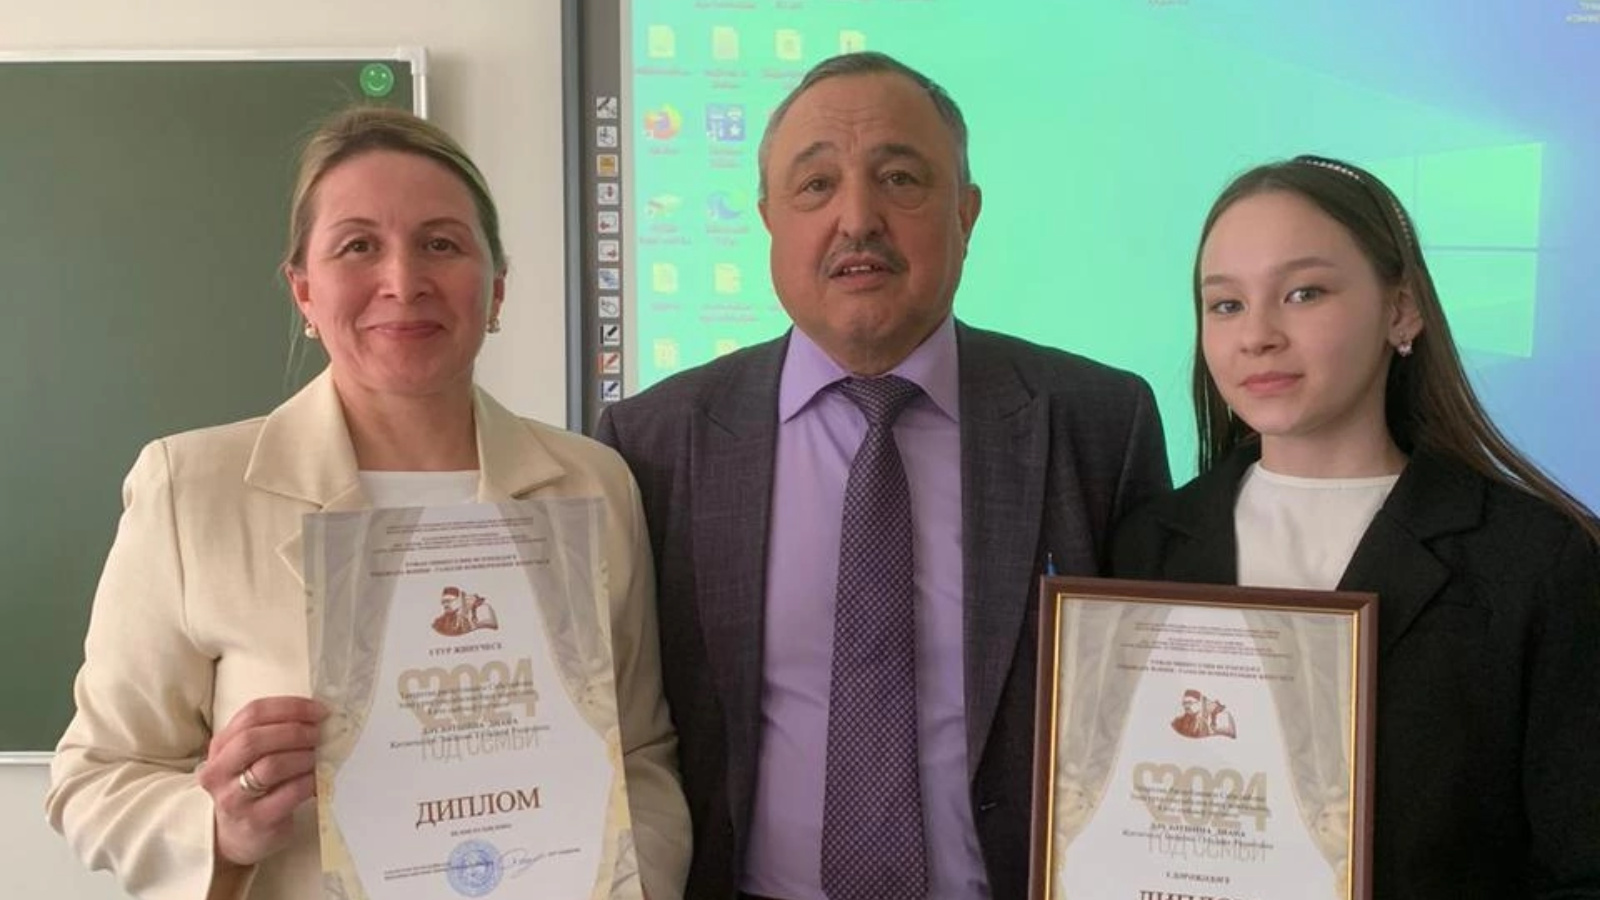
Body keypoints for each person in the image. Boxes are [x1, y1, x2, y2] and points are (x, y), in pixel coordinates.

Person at [46, 107, 690, 900]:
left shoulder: (594, 483)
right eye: (358, 246)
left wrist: (627, 882)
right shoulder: (191, 490)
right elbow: (97, 775)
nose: (403, 281)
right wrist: (218, 826)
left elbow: (642, 755)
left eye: (442, 244)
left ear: (496, 289)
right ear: (304, 291)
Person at [597, 52, 1170, 900]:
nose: (857, 219)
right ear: (768, 221)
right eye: (816, 186)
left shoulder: (1099, 423)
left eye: (900, 179)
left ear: (966, 213)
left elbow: (1157, 710)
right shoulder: (652, 444)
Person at [1112, 154, 1600, 898]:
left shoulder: (1537, 559)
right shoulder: (1145, 546)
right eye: (1226, 304)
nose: (1257, 335)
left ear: (1402, 310)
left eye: (1304, 293)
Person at [1170, 689, 1236, 740]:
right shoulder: (1179, 722)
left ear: (1200, 703)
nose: (1186, 706)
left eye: (1190, 703)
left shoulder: (1218, 716)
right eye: (1185, 703)